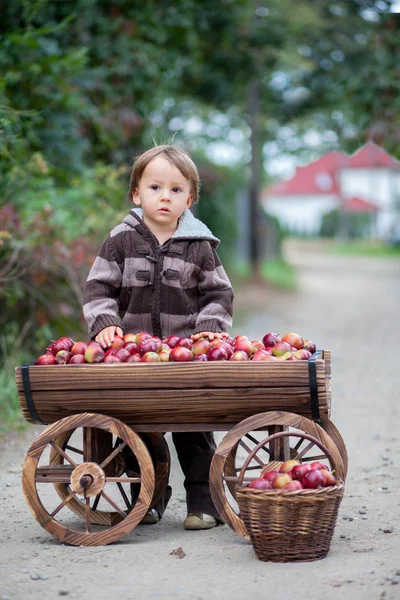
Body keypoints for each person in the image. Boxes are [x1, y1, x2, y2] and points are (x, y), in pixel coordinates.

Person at [83, 144, 234, 530]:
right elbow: (99, 288)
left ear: (190, 199)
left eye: (176, 189)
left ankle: (204, 503)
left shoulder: (200, 246)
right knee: (139, 433)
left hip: (186, 357)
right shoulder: (121, 240)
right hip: (133, 358)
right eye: (154, 187)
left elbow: (219, 293)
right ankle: (147, 499)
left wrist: (209, 330)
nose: (164, 196)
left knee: (194, 432)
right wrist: (104, 323)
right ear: (137, 193)